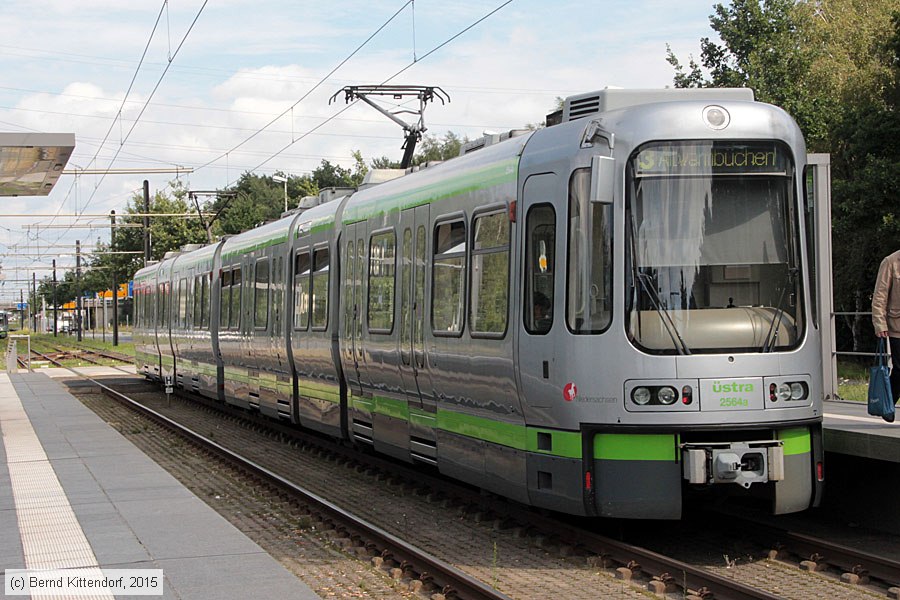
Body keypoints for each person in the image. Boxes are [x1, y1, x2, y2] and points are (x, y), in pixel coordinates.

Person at [871, 249, 900, 422]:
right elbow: (879, 296)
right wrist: (879, 323)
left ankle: (888, 404)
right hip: (897, 327)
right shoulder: (890, 262)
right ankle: (888, 403)